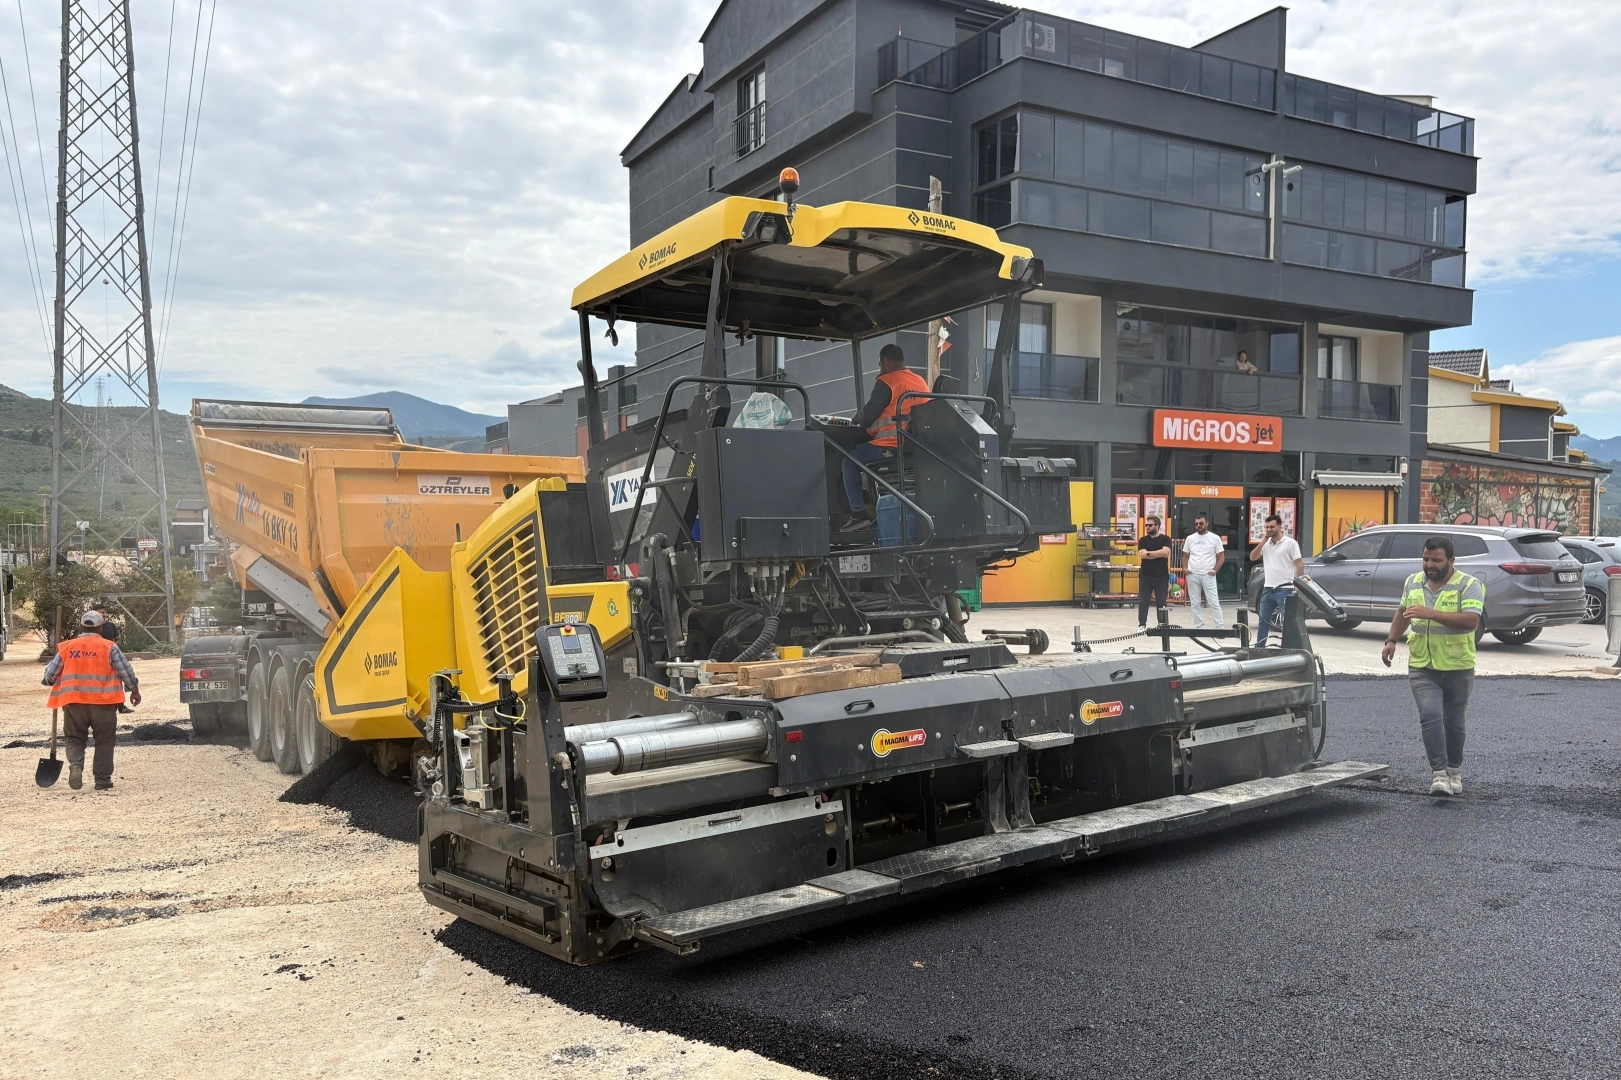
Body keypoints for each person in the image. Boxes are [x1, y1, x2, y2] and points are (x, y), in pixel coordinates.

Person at [1381, 536, 1484, 797]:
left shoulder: (1469, 585)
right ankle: (1439, 774)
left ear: (1451, 560)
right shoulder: (1413, 582)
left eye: (1436, 560)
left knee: (1454, 723)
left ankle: (1454, 770)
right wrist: (1391, 640)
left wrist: (1430, 614)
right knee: (1430, 716)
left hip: (1457, 666)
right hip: (1422, 665)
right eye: (1426, 559)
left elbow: (1471, 621)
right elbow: (1402, 612)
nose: (1429, 564)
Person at [42, 610, 141, 791]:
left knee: (74, 739)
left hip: (73, 703)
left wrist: (49, 680)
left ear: (81, 626)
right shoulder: (109, 647)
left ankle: (76, 765)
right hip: (104, 703)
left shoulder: (67, 647)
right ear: (101, 627)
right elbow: (125, 671)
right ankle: (102, 780)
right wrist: (134, 690)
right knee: (105, 740)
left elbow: (50, 674)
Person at [838, 343, 930, 531]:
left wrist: (858, 417)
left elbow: (868, 416)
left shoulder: (887, 381)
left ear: (886, 362)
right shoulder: (920, 382)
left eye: (880, 364)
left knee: (849, 461)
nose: (880, 368)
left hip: (890, 445)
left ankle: (858, 514)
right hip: (914, 448)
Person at [1248, 513, 1305, 647]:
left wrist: (1299, 584)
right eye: (1267, 527)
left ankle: (1289, 647)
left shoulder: (1290, 543)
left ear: (1280, 527)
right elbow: (1252, 557)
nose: (1269, 530)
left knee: (1288, 621)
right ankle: (1260, 647)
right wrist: (1263, 541)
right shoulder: (1266, 545)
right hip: (1268, 588)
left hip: (1285, 588)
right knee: (1263, 620)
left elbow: (1298, 564)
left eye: (1272, 527)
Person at [1181, 512, 1226, 630]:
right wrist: (1185, 569)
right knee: (1195, 603)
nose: (1198, 526)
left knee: (1213, 602)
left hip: (1208, 575)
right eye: (1196, 524)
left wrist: (1214, 571)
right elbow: (1185, 556)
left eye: (1201, 523)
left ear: (1207, 523)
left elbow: (1221, 557)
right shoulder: (1190, 538)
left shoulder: (1214, 538)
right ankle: (1199, 626)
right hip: (1193, 574)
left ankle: (1220, 627)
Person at [1136, 516, 1173, 627]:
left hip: (1161, 576)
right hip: (1146, 575)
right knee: (1144, 601)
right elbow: (1142, 554)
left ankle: (1162, 624)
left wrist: (1149, 553)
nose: (1147, 527)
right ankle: (1142, 625)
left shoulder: (1166, 539)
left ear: (1157, 526)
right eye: (1146, 525)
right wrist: (1158, 554)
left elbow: (1165, 553)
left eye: (1150, 525)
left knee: (1161, 602)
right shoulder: (1143, 540)